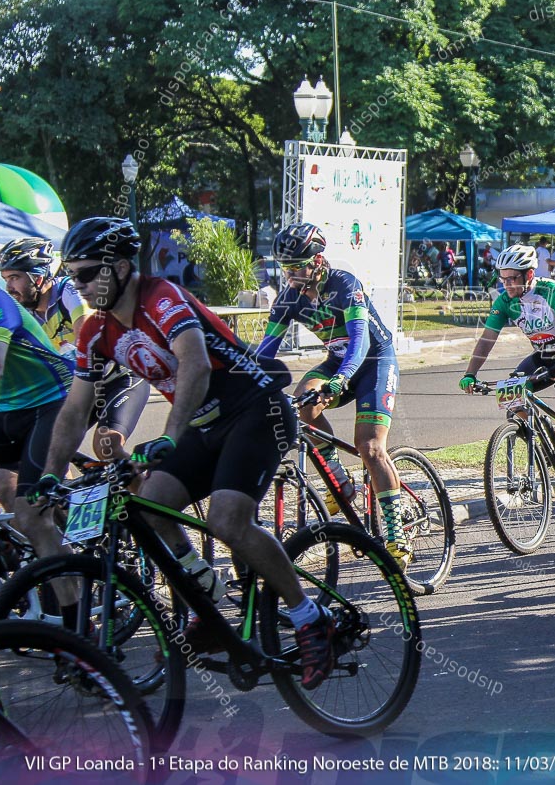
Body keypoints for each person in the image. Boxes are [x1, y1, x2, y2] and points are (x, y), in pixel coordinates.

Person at [30, 217, 337, 689]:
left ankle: (310, 616)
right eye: (73, 275)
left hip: (256, 410)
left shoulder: (162, 298)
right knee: (151, 507)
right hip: (203, 424)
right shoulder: (94, 331)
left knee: (227, 520)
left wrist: (170, 435)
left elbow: (193, 363)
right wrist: (50, 475)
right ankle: (207, 605)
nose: (80, 284)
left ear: (121, 267)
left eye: (89, 273)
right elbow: (74, 409)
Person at [258, 223, 410, 568]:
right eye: (286, 268)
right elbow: (265, 353)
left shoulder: (343, 283)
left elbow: (361, 339)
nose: (292, 276)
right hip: (337, 361)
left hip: (373, 362)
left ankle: (396, 532)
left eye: (297, 267)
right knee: (303, 404)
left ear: (318, 259)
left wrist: (342, 378)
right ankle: (340, 481)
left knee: (370, 447)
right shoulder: (289, 299)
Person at [0, 237, 149, 461]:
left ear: (39, 276)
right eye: (5, 279)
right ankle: (64, 493)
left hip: (117, 379)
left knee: (107, 446)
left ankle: (150, 489)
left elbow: (89, 336)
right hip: (79, 388)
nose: (9, 287)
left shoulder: (68, 290)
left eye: (15, 277)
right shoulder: (24, 312)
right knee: (45, 455)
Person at [460, 244, 555, 457]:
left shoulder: (552, 290)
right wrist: (470, 373)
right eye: (503, 279)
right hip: (544, 355)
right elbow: (486, 340)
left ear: (529, 274)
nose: (507, 285)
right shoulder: (505, 301)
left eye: (512, 279)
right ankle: (550, 434)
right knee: (512, 398)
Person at [0, 275, 73, 578]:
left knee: (31, 513)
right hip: (6, 410)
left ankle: (73, 616)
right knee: (2, 488)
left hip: (51, 402)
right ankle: (15, 556)